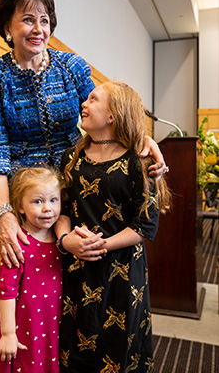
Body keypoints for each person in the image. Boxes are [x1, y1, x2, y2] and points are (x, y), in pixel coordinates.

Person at [0, 0, 167, 270]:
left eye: (45, 20)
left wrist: (143, 140)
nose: (39, 29)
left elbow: (105, 112)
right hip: (26, 195)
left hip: (76, 184)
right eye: (28, 20)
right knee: (31, 277)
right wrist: (3, 213)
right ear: (7, 27)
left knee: (77, 272)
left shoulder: (71, 67)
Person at [56, 81, 171, 372]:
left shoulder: (139, 161)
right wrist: (66, 240)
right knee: (74, 345)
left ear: (112, 115)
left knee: (118, 348)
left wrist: (101, 245)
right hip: (76, 266)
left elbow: (145, 225)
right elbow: (61, 209)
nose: (84, 103)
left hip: (121, 271)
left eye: (93, 99)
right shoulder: (70, 158)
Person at [0, 167, 64, 373]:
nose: (47, 209)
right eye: (37, 201)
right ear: (21, 207)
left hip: (52, 322)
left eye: (53, 200)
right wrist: (7, 334)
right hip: (23, 326)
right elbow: (6, 292)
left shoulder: (62, 241)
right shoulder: (17, 244)